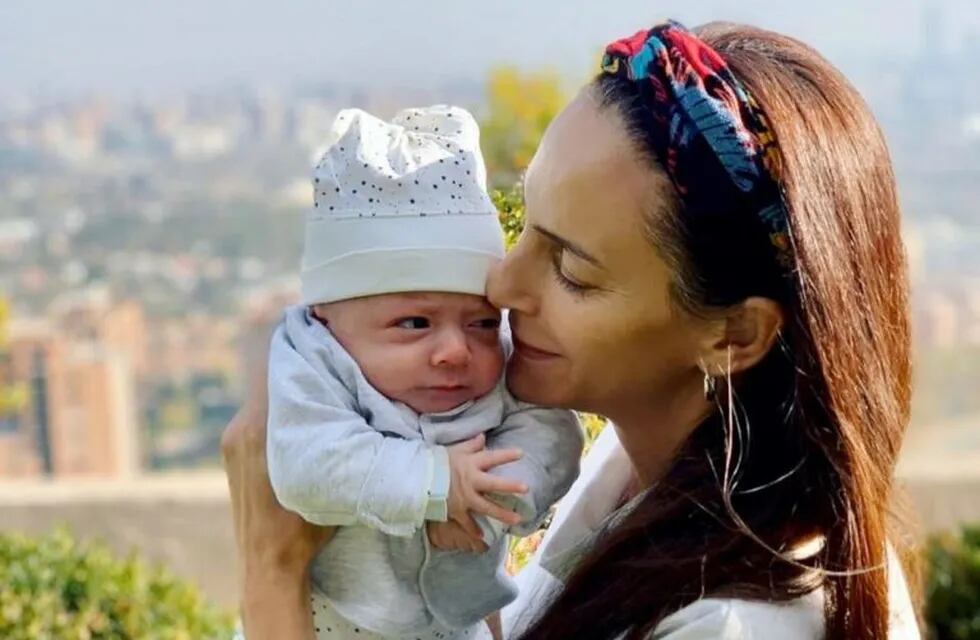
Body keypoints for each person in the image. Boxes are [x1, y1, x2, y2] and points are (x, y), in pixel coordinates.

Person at [222, 20, 922, 639]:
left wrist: (273, 574)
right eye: (525, 227)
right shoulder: (617, 473)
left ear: (733, 334)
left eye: (573, 272)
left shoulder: (737, 624)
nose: (501, 286)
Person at [253, 105, 583, 640]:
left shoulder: (494, 363)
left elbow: (552, 432)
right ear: (326, 316)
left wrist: (492, 495)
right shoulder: (313, 359)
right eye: (414, 322)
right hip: (330, 622)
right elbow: (305, 462)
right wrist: (433, 483)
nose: (455, 350)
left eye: (479, 320)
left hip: (458, 626)